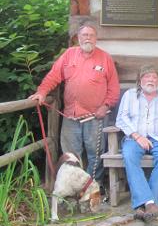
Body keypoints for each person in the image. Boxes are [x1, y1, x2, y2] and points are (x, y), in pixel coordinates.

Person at [29, 20, 120, 183]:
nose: (88, 38)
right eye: (85, 35)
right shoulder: (69, 54)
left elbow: (113, 89)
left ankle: (93, 190)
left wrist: (106, 106)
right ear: (78, 37)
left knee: (95, 155)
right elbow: (53, 76)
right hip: (71, 116)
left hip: (95, 117)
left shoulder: (105, 58)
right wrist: (41, 92)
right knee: (71, 156)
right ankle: (73, 189)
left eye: (92, 35)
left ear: (96, 38)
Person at [115, 65, 158, 222]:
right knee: (129, 156)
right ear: (140, 80)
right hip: (135, 138)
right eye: (147, 77)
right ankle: (151, 203)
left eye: (154, 77)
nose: (151, 80)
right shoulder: (129, 95)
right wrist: (137, 136)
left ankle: (143, 205)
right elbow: (121, 118)